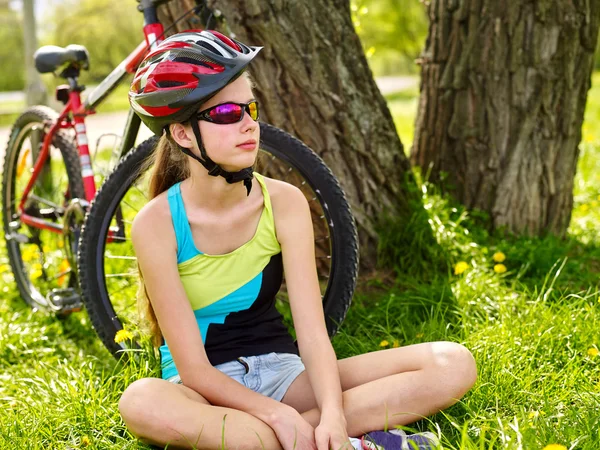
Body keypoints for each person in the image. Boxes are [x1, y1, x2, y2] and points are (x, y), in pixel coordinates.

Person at [117, 30, 477, 450]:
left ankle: (306, 440)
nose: (249, 124)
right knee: (140, 400)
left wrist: (334, 415)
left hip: (285, 374)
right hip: (207, 395)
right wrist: (277, 415)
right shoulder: (156, 224)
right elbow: (194, 370)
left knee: (452, 363)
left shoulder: (284, 203)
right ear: (181, 134)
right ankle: (346, 441)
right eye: (228, 113)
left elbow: (312, 335)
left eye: (250, 108)